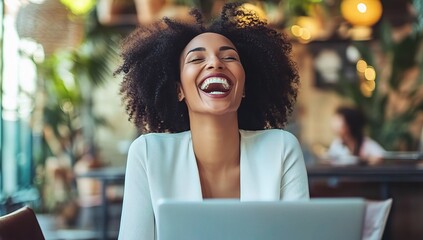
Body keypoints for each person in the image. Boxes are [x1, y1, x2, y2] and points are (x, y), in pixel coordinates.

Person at [115, 3, 309, 239]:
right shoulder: (147, 154)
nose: (215, 63)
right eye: (196, 59)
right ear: (178, 90)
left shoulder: (281, 148)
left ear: (244, 87)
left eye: (229, 57)